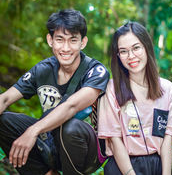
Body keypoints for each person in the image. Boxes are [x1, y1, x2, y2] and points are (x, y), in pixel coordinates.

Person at [0, 9, 109, 175]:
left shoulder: (96, 71)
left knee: (69, 127)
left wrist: (32, 131)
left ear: (83, 42)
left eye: (73, 40)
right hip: (50, 143)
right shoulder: (42, 70)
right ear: (50, 40)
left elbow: (71, 106)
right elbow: (6, 98)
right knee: (5, 120)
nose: (66, 48)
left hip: (87, 151)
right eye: (60, 39)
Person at [98, 21, 172, 175]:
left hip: (157, 164)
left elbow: (167, 139)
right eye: (123, 51)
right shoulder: (111, 89)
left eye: (136, 48)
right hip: (122, 166)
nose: (131, 56)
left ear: (146, 47)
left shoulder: (167, 89)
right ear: (118, 56)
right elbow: (115, 140)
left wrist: (166, 173)